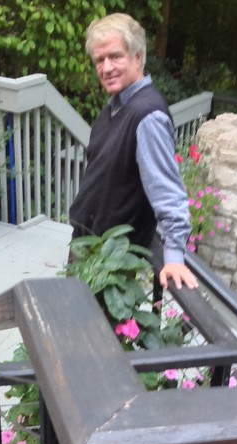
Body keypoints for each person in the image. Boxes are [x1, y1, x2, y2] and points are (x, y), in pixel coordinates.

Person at [69, 12, 198, 292]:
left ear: (138, 57)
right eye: (99, 60)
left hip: (111, 263)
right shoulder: (115, 107)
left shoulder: (147, 116)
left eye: (115, 56)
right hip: (89, 248)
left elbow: (168, 192)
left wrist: (174, 257)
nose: (106, 67)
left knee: (89, 323)